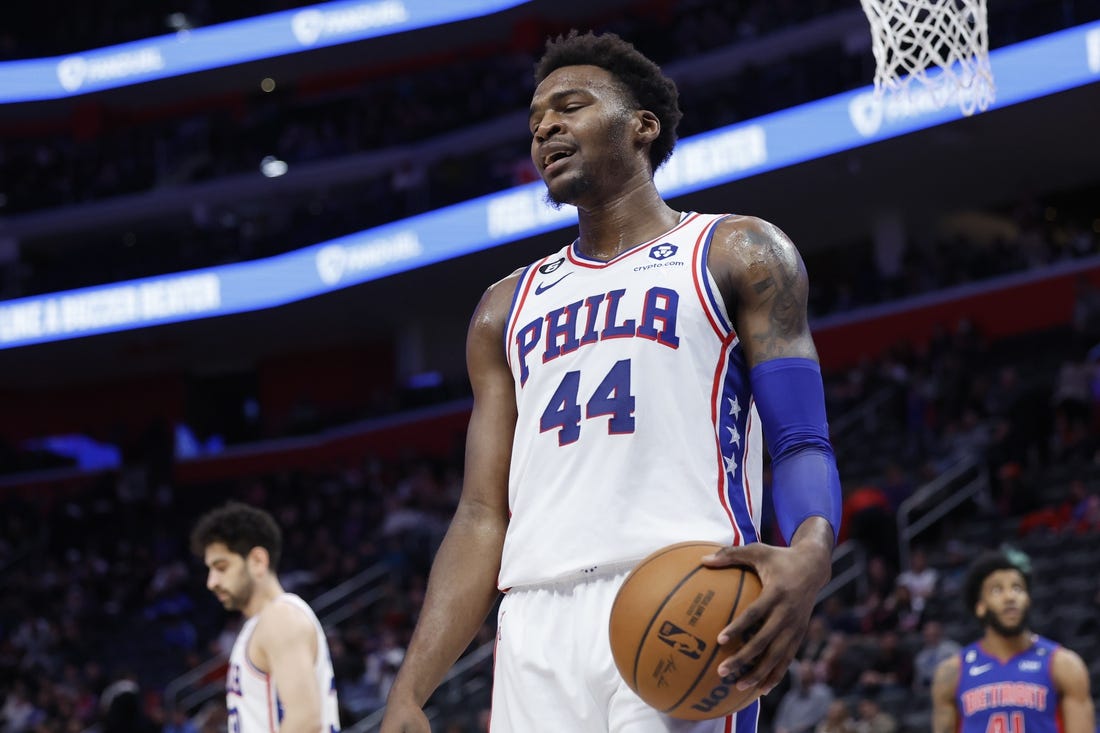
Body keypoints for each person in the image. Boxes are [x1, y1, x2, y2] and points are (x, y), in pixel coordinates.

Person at [380, 29, 841, 733]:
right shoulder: (503, 307)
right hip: (534, 621)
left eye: (570, 107)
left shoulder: (736, 249)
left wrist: (809, 549)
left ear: (642, 127)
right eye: (536, 122)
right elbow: (480, 513)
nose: (547, 129)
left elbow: (801, 438)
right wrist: (411, 688)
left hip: (686, 592)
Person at [190, 502, 341, 733]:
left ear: (258, 560)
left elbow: (305, 721)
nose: (212, 582)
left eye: (221, 567)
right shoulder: (259, 625)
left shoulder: (281, 618)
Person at [931, 551, 1095, 733]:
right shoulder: (951, 673)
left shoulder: (1064, 665)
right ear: (980, 607)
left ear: (1028, 600)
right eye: (997, 590)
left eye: (1017, 588)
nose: (1010, 597)